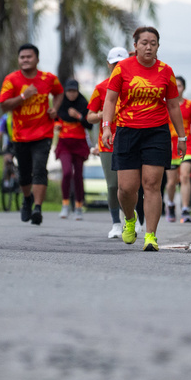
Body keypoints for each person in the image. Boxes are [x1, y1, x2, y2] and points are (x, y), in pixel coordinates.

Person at [101, 27, 185, 252]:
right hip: (127, 131)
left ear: (158, 46)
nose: (149, 47)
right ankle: (130, 218)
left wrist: (182, 136)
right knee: (126, 188)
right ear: (135, 46)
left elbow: (173, 105)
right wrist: (107, 127)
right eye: (144, 43)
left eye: (153, 43)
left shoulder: (166, 71)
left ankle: (151, 235)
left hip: (156, 132)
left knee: (152, 185)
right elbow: (110, 100)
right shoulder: (123, 68)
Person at [0, 43, 63, 225]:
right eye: (22, 57)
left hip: (43, 133)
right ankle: (27, 199)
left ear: (37, 59)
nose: (25, 60)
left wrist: (55, 109)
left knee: (40, 169)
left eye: (29, 56)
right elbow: (3, 105)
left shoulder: (48, 78)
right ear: (18, 60)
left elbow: (59, 93)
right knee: (24, 174)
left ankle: (38, 208)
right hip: (20, 135)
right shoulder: (11, 80)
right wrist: (23, 96)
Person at [86, 47, 129, 238]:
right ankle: (116, 223)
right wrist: (102, 115)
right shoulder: (101, 88)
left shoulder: (135, 86)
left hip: (131, 139)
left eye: (121, 63)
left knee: (129, 186)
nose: (118, 66)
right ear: (108, 65)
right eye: (114, 64)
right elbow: (89, 117)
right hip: (108, 143)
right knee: (112, 185)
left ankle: (133, 219)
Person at [164, 76, 191, 224]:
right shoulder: (165, 105)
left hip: (187, 145)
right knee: (171, 182)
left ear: (184, 88)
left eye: (179, 85)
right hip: (170, 147)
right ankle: (171, 205)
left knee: (185, 176)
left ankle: (185, 209)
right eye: (175, 86)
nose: (177, 88)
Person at [55, 79, 92, 219]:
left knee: (78, 175)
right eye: (69, 91)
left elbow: (89, 124)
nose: (71, 94)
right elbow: (55, 118)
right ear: (65, 91)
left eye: (74, 91)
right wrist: (56, 125)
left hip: (79, 144)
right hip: (64, 143)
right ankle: (65, 205)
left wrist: (78, 116)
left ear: (78, 91)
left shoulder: (83, 104)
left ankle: (78, 206)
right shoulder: (61, 103)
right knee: (66, 173)